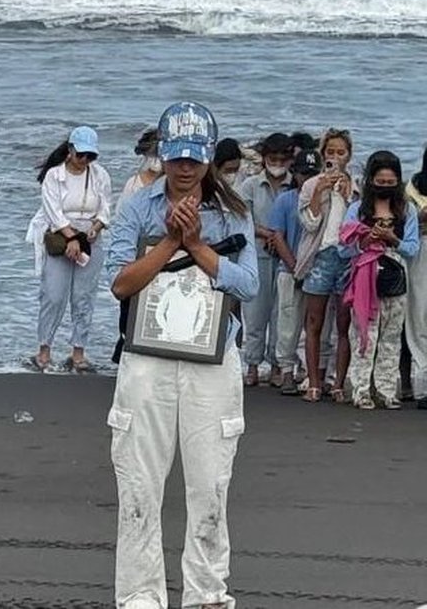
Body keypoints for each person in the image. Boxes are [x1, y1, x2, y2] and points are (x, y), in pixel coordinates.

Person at [107, 101, 259, 609]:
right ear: (162, 156)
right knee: (139, 484)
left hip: (213, 363)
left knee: (210, 485)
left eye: (195, 158)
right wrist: (171, 237)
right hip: (146, 359)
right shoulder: (135, 206)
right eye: (177, 158)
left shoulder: (234, 212)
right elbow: (120, 283)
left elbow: (250, 285)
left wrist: (199, 247)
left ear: (210, 157)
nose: (186, 168)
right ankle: (138, 597)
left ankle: (207, 595)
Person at [26, 126, 112, 372]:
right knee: (53, 295)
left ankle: (78, 353)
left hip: (90, 237)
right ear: (70, 151)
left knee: (83, 297)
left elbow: (106, 206)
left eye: (91, 156)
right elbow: (53, 211)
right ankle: (44, 350)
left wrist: (96, 227)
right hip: (61, 237)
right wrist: (72, 238)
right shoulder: (55, 176)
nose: (85, 160)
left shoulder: (99, 175)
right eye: (81, 154)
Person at [339, 151, 419, 409]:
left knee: (391, 337)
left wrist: (392, 239)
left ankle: (386, 390)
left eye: (390, 183)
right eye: (380, 182)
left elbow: (412, 248)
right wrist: (367, 239)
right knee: (364, 336)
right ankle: (361, 390)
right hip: (365, 279)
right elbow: (343, 247)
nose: (385, 187)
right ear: (371, 181)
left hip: (395, 279)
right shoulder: (356, 209)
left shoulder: (407, 210)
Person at [294, 128, 356, 403]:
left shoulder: (356, 185)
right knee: (314, 322)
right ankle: (314, 382)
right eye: (330, 152)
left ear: (349, 155)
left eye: (340, 152)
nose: (334, 157)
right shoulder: (311, 185)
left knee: (343, 323)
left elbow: (358, 223)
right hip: (320, 257)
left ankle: (338, 383)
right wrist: (320, 191)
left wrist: (347, 195)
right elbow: (309, 223)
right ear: (322, 154)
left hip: (346, 257)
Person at [241, 133, 293, 387]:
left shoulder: (296, 185)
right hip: (258, 254)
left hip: (287, 256)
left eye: (283, 158)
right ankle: (251, 365)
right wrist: (267, 234)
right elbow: (241, 220)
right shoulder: (250, 185)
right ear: (264, 159)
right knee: (255, 313)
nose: (278, 163)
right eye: (273, 158)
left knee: (281, 314)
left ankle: (276, 365)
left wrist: (280, 238)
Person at [268, 149, 322, 395]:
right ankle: (287, 371)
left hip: (318, 270)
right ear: (295, 174)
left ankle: (312, 372)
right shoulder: (285, 199)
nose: (307, 178)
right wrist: (294, 267)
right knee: (288, 322)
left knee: (316, 324)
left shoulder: (325, 199)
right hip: (289, 268)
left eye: (312, 173)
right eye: (303, 174)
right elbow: (277, 236)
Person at [405, 148, 427, 408]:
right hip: (421, 250)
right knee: (418, 315)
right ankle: (422, 385)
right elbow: (405, 220)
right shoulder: (413, 186)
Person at [116, 127, 162, 211]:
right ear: (144, 154)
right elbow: (121, 215)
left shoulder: (173, 185)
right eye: (153, 155)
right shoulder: (133, 184)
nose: (156, 159)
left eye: (159, 155)